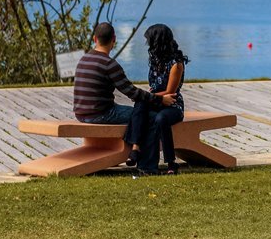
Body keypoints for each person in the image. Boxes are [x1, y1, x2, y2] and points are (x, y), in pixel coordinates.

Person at [73, 22, 175, 152]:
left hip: (80, 114)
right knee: (146, 116)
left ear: (95, 39)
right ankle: (136, 153)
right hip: (101, 114)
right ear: (114, 39)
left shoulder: (83, 59)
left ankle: (132, 148)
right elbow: (132, 93)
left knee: (138, 113)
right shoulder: (109, 64)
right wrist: (160, 99)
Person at [131, 23, 189, 175]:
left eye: (150, 41)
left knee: (161, 118)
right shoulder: (155, 60)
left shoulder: (176, 64)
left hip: (172, 104)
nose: (148, 44)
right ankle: (135, 148)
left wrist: (150, 96)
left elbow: (170, 92)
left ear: (158, 41)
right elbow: (154, 87)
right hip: (157, 101)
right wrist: (150, 96)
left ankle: (171, 162)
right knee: (140, 103)